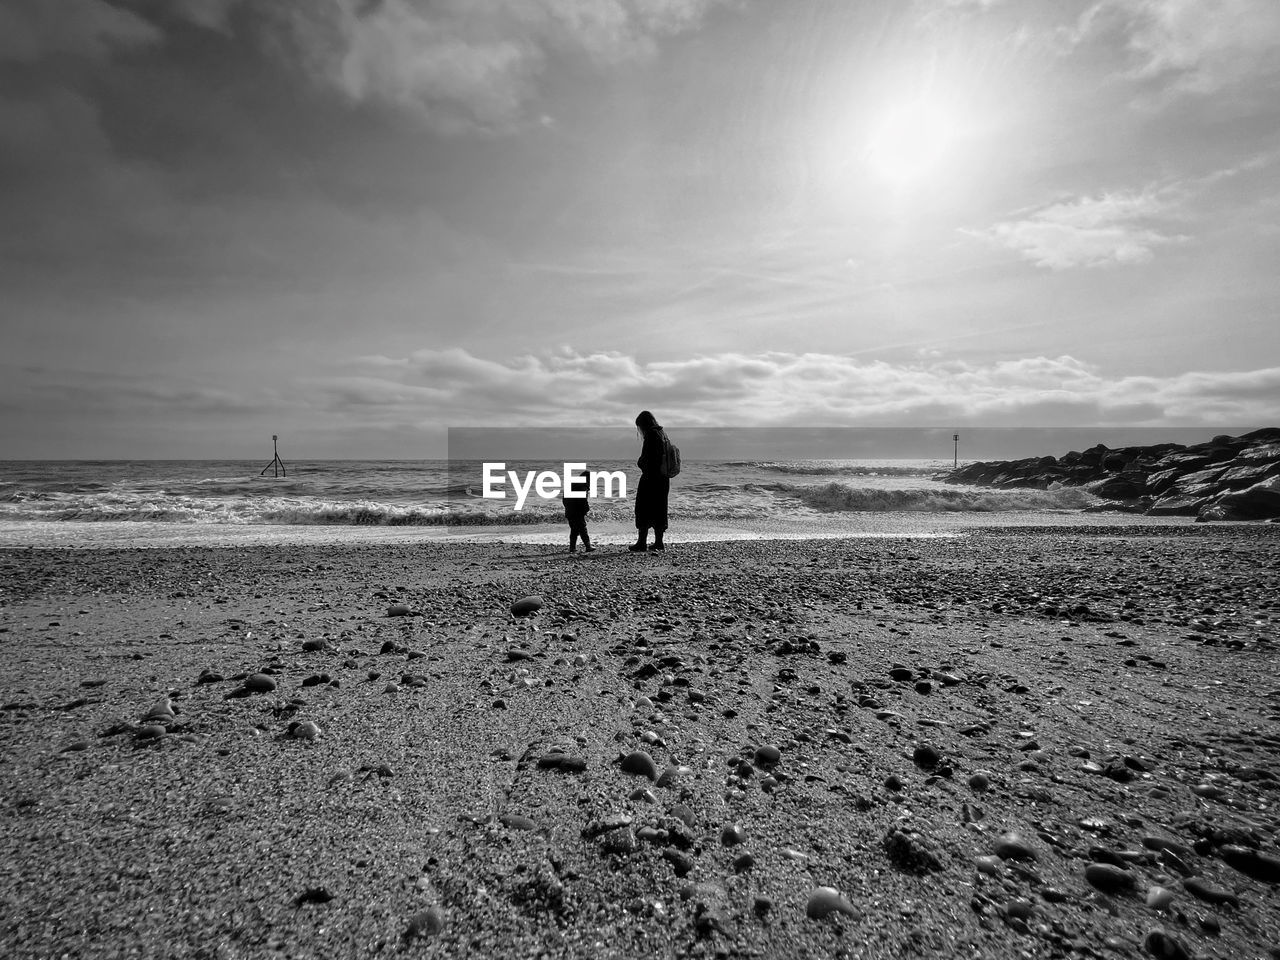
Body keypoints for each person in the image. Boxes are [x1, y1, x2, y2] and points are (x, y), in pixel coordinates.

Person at [630, 410, 670, 552]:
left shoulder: (651, 435)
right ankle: (659, 542)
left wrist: (640, 462)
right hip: (663, 480)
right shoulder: (663, 434)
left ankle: (642, 543)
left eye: (639, 427)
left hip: (650, 479)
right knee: (659, 510)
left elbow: (646, 459)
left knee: (643, 509)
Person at [563, 467, 594, 553]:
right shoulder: (582, 486)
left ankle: (572, 548)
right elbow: (582, 500)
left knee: (574, 529)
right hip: (577, 512)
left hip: (569, 511)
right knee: (582, 529)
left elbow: (564, 499)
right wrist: (586, 509)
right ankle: (588, 546)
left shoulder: (572, 484)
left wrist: (568, 508)